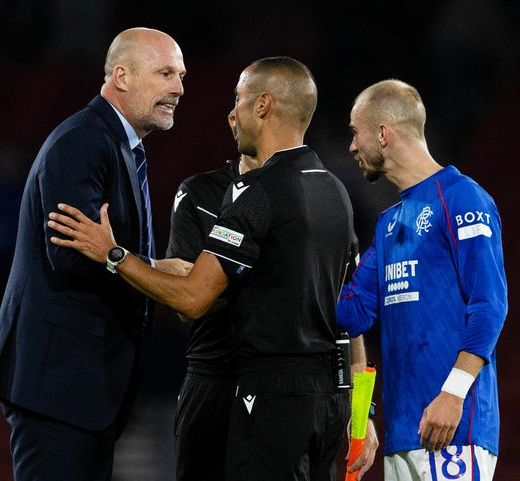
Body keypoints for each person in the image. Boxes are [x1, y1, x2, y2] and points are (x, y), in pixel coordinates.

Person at [47, 56, 376, 481]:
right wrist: (361, 408)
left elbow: (191, 298)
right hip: (327, 396)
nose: (231, 112)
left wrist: (114, 255)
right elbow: (348, 310)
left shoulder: (258, 195)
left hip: (268, 392)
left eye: (239, 99)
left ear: (263, 106)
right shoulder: (336, 192)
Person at [0, 27, 188, 481]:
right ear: (122, 76)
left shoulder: (116, 145)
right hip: (59, 386)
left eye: (182, 76)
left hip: (84, 389)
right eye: (166, 73)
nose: (179, 88)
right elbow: (71, 254)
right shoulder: (82, 142)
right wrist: (151, 268)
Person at [337, 79, 507, 480]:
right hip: (404, 431)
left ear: (383, 132)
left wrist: (453, 393)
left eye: (354, 132)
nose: (351, 146)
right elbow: (351, 313)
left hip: (452, 429)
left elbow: (490, 305)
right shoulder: (389, 222)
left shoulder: (463, 198)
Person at [167, 113, 260, 481]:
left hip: (292, 383)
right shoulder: (200, 193)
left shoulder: (319, 193)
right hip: (213, 377)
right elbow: (185, 303)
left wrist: (360, 410)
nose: (235, 114)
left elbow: (342, 305)